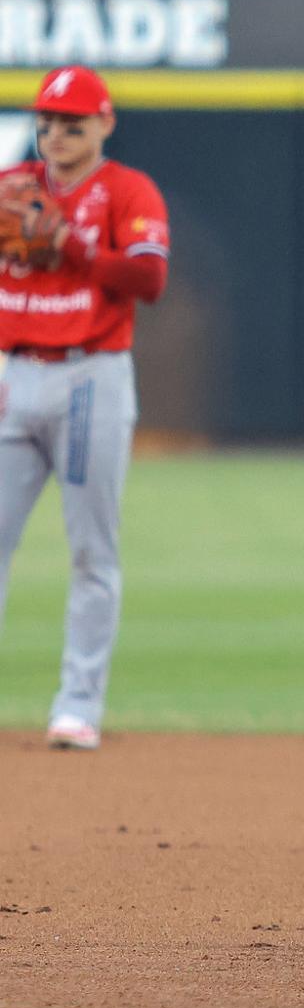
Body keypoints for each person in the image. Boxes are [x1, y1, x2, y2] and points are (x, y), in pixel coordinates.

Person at [0, 67, 173, 753]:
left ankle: (77, 706)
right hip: (14, 377)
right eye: (47, 122)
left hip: (89, 379)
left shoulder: (129, 191)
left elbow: (149, 278)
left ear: (105, 124)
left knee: (91, 552)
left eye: (73, 123)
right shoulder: (13, 190)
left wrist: (72, 245)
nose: (56, 134)